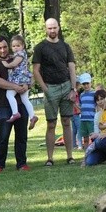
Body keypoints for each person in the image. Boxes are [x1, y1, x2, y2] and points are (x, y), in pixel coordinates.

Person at [32, 18, 77, 166]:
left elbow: (71, 68)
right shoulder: (40, 47)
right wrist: (45, 89)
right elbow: (36, 71)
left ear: (59, 28)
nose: (52, 30)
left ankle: (70, 156)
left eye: (54, 28)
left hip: (66, 87)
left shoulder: (65, 46)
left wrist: (73, 88)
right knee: (51, 124)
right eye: (49, 28)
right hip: (50, 87)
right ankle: (50, 158)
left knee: (66, 122)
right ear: (46, 29)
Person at [0, 36, 30, 172]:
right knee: (3, 136)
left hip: (21, 102)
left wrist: (27, 85)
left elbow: (28, 73)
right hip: (4, 105)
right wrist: (15, 87)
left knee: (22, 136)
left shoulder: (17, 58)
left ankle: (22, 164)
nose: (3, 50)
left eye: (5, 47)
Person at [2, 35, 38, 128]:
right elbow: (15, 58)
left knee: (9, 94)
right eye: (13, 46)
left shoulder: (20, 54)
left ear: (23, 46)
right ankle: (32, 116)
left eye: (18, 46)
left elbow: (14, 64)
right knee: (25, 99)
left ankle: (15, 112)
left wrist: (6, 64)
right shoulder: (21, 54)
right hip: (25, 79)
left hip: (19, 79)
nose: (15, 48)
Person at [78, 72, 96, 149]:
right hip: (83, 119)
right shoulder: (81, 95)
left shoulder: (94, 93)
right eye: (84, 84)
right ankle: (86, 153)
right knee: (85, 138)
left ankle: (95, 152)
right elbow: (81, 107)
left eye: (87, 83)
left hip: (92, 119)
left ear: (90, 83)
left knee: (93, 138)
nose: (86, 86)